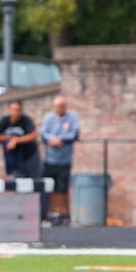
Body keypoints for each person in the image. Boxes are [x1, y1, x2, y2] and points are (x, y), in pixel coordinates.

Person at [40, 96, 80, 226]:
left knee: (62, 188)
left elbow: (74, 133)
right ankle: (50, 213)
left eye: (62, 106)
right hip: (50, 160)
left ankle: (65, 214)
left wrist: (60, 139)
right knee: (49, 187)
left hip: (64, 160)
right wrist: (52, 139)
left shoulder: (72, 117)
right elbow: (44, 133)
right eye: (57, 107)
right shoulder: (49, 118)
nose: (59, 109)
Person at [0, 100, 42, 180]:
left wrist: (16, 140)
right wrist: (9, 138)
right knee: (18, 182)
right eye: (13, 110)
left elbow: (33, 136)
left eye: (18, 110)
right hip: (15, 158)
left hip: (29, 155)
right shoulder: (5, 121)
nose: (15, 113)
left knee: (36, 180)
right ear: (9, 110)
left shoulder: (26, 120)